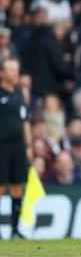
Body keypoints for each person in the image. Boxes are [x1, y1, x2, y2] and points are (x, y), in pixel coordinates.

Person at [0, 57, 31, 239]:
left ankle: (15, 230)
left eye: (16, 70)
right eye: (11, 70)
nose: (15, 73)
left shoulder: (19, 93)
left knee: (18, 186)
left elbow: (25, 121)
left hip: (18, 145)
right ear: (2, 73)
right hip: (1, 144)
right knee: (0, 186)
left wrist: (28, 146)